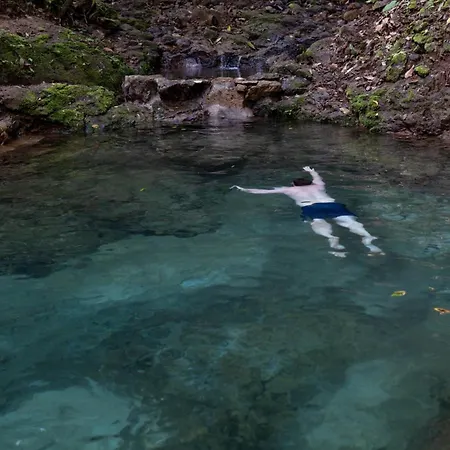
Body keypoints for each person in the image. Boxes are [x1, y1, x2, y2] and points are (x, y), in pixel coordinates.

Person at [230, 166, 383, 257]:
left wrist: (243, 189)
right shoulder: (318, 186)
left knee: (317, 221)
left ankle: (331, 238)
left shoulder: (289, 189)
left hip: (311, 207)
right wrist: (311, 171)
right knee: (350, 223)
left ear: (294, 185)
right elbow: (318, 178)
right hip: (333, 205)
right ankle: (367, 238)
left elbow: (263, 192)